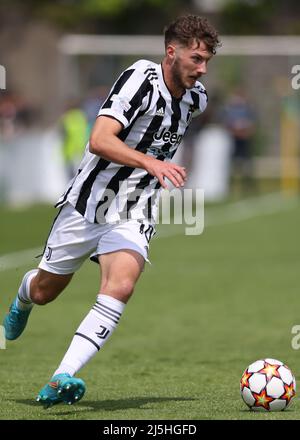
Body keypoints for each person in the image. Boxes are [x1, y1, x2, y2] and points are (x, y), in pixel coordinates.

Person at [3, 15, 220, 408]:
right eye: (196, 58)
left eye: (207, 60)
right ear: (171, 52)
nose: (202, 69)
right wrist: (151, 163)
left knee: (121, 284)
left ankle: (61, 377)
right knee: (45, 291)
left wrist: (156, 169)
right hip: (88, 204)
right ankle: (23, 297)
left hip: (136, 209)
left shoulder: (196, 99)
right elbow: (100, 140)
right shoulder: (140, 78)